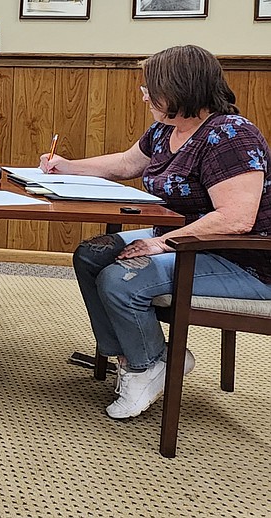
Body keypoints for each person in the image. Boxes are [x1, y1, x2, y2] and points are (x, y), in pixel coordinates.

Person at [41, 45, 271, 420]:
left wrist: (161, 243)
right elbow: (124, 164)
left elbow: (236, 218)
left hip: (243, 259)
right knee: (91, 255)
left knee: (121, 278)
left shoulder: (232, 135)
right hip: (191, 242)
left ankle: (144, 366)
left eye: (152, 86)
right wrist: (67, 166)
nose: (143, 92)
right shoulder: (167, 129)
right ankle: (138, 359)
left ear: (182, 87)